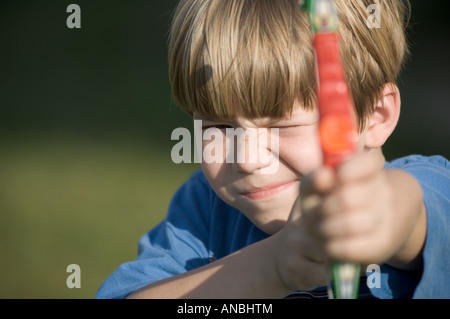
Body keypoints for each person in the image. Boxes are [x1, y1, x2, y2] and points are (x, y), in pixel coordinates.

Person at [96, 0, 449, 299]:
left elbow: (407, 211)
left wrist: (375, 218)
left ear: (375, 116)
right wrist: (272, 267)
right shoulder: (206, 210)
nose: (248, 160)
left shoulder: (429, 184)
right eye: (219, 127)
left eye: (282, 126)